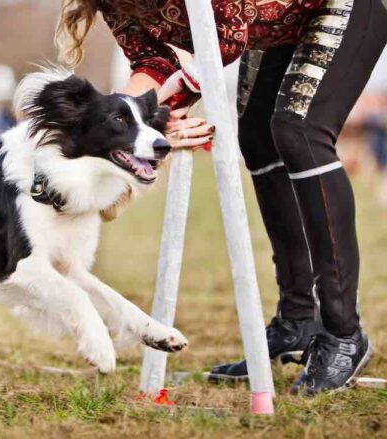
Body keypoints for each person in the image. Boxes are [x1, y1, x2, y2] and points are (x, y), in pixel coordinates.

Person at [56, 0, 387, 395]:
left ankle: (344, 333)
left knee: (298, 131)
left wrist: (162, 108)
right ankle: (297, 320)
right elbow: (152, 62)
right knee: (259, 142)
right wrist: (118, 121)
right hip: (275, 33)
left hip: (339, 9)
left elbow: (225, 38)